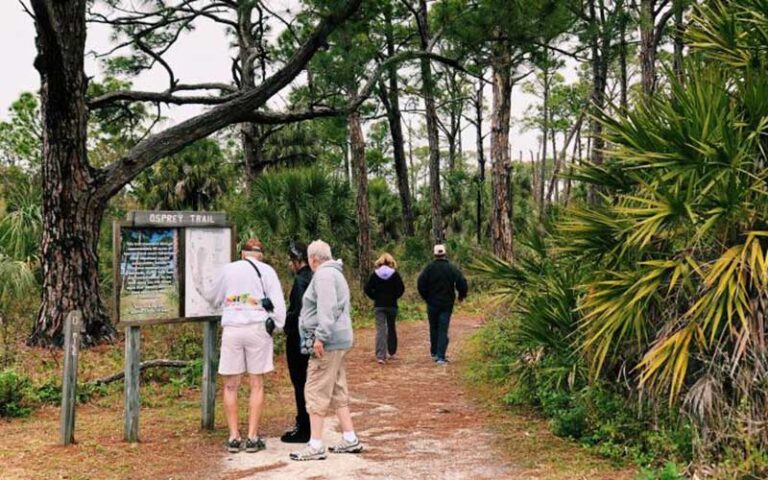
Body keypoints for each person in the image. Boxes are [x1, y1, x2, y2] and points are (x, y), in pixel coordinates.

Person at [204, 238, 286, 453]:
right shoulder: (267, 271)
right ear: (260, 255)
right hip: (257, 329)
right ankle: (252, 437)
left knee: (231, 385)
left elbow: (212, 296)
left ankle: (233, 437)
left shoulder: (228, 270)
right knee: (256, 383)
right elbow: (278, 305)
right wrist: (276, 326)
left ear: (242, 253)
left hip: (232, 329)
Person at [290, 240, 364, 461]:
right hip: (339, 339)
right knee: (337, 389)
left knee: (315, 389)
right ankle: (350, 438)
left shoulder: (323, 275)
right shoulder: (336, 273)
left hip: (328, 342)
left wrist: (320, 337)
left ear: (313, 259)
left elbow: (327, 307)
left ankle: (315, 444)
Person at [281, 242, 313, 443]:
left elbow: (299, 310)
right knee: (307, 382)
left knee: (300, 382)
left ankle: (303, 427)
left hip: (298, 337)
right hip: (310, 336)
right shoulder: (314, 276)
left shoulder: (301, 280)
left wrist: (284, 319)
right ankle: (306, 423)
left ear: (297, 260)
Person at [417, 244, 468, 365]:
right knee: (443, 329)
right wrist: (461, 295)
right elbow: (462, 282)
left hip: (432, 303)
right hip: (446, 303)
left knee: (433, 327)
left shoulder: (429, 268)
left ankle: (435, 352)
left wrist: (426, 297)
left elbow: (420, 284)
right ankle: (440, 356)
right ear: (445, 254)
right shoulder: (451, 268)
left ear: (434, 254)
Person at [364, 253, 405, 364]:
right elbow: (401, 289)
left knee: (381, 330)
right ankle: (391, 352)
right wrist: (394, 297)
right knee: (391, 327)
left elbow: (367, 289)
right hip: (392, 305)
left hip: (379, 305)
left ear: (380, 262)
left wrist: (375, 297)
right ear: (391, 262)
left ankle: (381, 356)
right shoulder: (395, 274)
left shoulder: (375, 274)